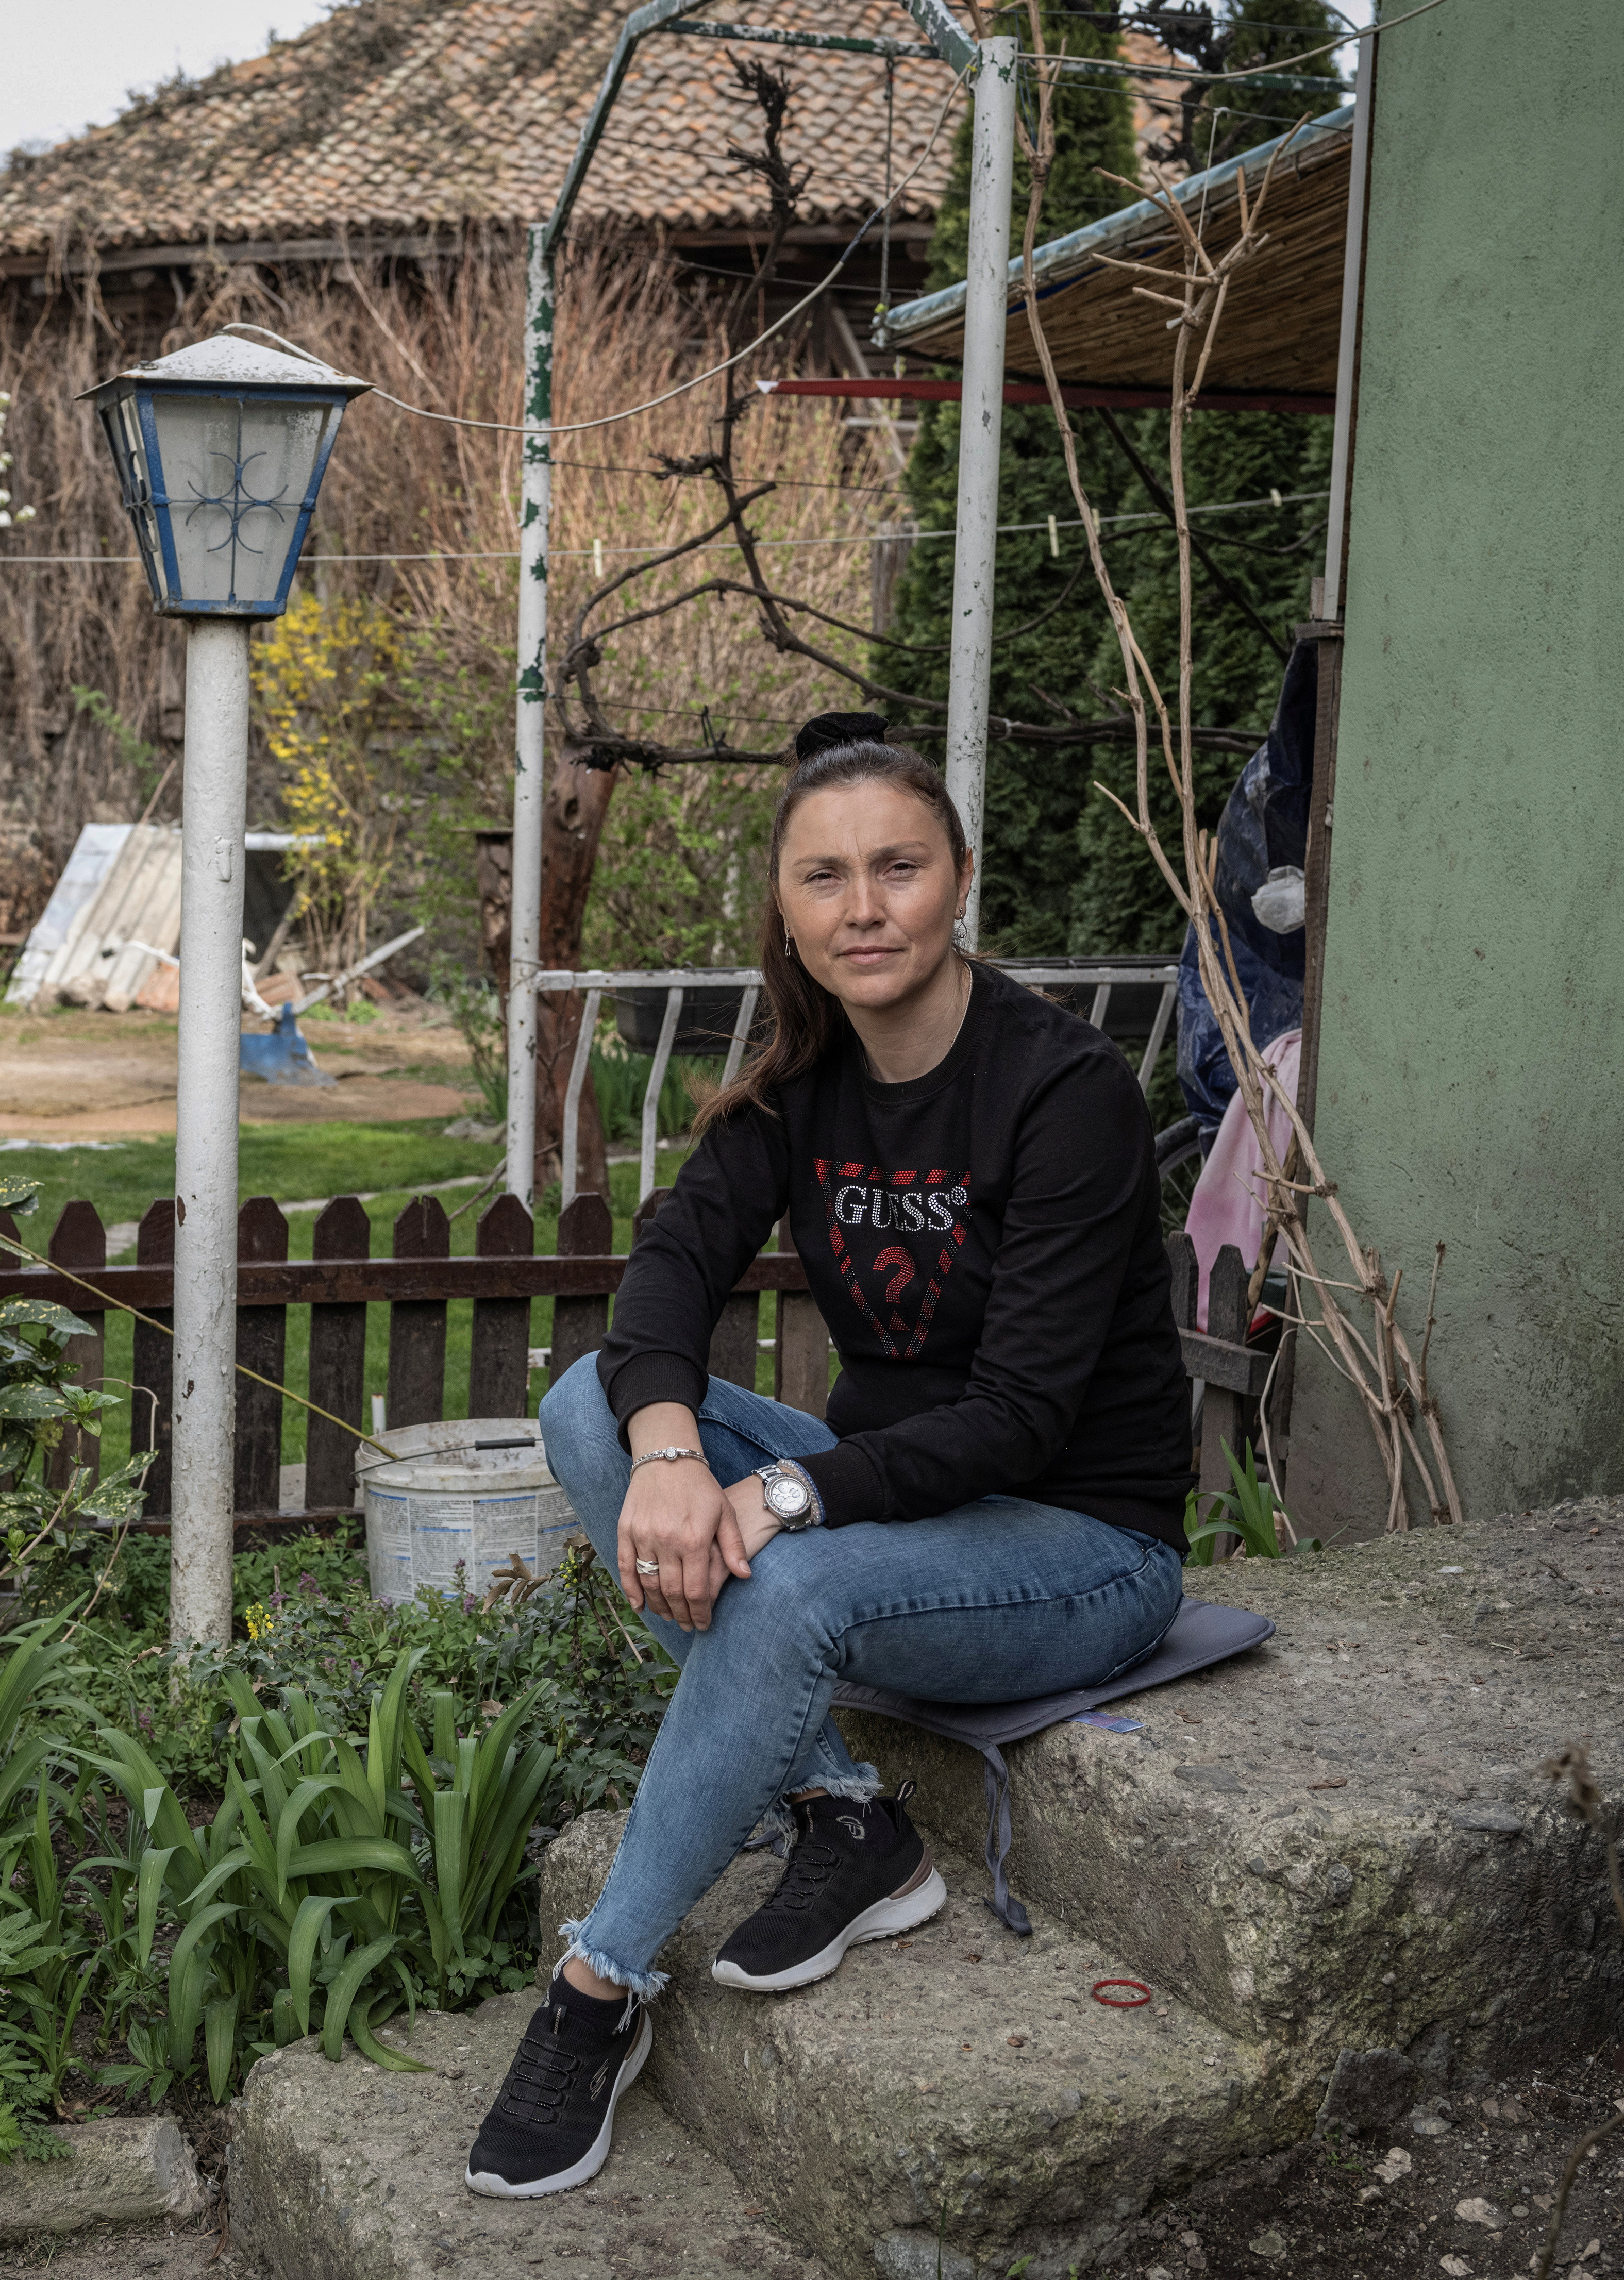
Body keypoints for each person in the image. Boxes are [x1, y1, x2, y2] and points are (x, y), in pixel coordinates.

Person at [463, 730, 1196, 2201]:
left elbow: (1021, 1420)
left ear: (958, 887)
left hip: (1078, 1544)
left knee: (786, 1595)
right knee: (577, 1414)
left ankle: (596, 1990)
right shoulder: (802, 1081)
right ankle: (847, 1821)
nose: (863, 906)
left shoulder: (1065, 1093)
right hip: (897, 1508)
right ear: (788, 910)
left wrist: (784, 1493)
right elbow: (667, 1275)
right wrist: (670, 1453)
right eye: (824, 876)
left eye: (897, 866)